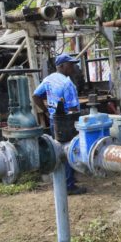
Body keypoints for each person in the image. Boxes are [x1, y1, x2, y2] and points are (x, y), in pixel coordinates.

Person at [33, 53, 86, 195]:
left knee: (57, 149)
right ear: (61, 66)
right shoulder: (67, 83)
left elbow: (35, 95)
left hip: (54, 120)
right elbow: (74, 109)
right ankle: (69, 185)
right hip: (67, 122)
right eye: (71, 64)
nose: (73, 67)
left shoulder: (48, 79)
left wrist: (46, 111)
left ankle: (62, 180)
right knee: (68, 150)